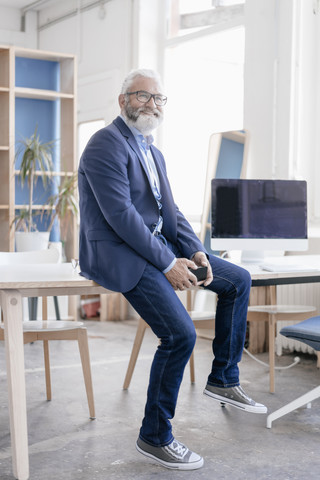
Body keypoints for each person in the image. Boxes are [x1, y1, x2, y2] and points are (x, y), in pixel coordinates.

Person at [78, 68, 267, 471]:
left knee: (237, 279)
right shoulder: (103, 144)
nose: (151, 103)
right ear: (122, 100)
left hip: (156, 248)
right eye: (142, 95)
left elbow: (171, 212)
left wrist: (196, 251)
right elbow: (121, 217)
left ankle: (224, 378)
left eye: (158, 98)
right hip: (119, 252)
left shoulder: (152, 149)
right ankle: (155, 436)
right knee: (180, 334)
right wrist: (167, 263)